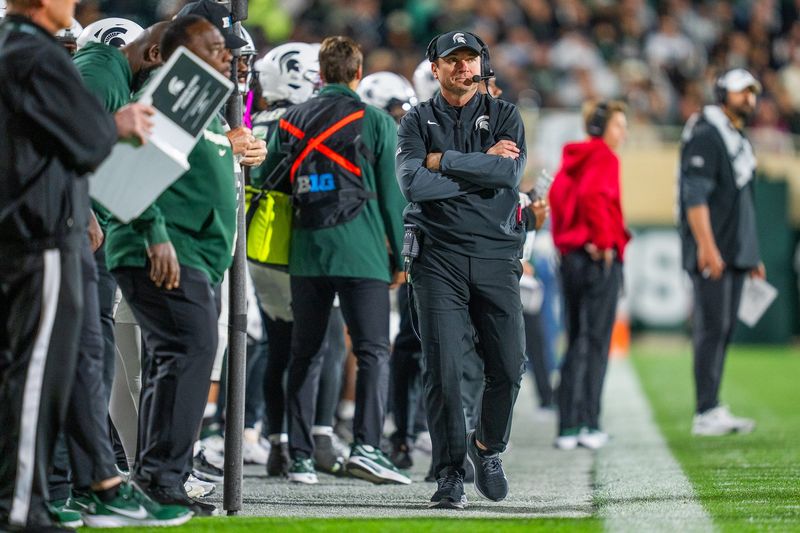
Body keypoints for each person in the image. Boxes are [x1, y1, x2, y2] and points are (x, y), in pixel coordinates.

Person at [0, 0, 152, 529]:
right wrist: (121, 121)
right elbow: (89, 142)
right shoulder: (34, 54)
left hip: (23, 230)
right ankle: (22, 505)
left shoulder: (13, 49)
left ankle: (43, 495)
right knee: (38, 375)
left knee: (38, 370)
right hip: (39, 234)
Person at [104, 14, 243, 517]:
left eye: (224, 48)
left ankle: (156, 477)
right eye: (210, 46)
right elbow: (130, 161)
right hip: (164, 249)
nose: (223, 53)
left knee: (173, 358)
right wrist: (154, 233)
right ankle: (162, 479)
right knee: (191, 348)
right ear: (177, 51)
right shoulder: (177, 87)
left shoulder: (200, 100)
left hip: (190, 252)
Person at [258, 35, 409, 486]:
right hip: (362, 251)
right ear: (358, 74)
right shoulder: (377, 121)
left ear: (319, 74)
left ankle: (299, 456)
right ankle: (366, 447)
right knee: (373, 351)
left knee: (304, 353)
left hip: (306, 251)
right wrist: (400, 256)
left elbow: (269, 181)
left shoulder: (292, 119)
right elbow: (390, 195)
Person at [396, 31, 532, 509]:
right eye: (451, 60)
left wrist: (445, 162)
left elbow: (508, 176)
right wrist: (477, 171)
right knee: (444, 371)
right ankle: (449, 474)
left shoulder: (505, 115)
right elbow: (414, 185)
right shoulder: (415, 119)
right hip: (438, 259)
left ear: (482, 64)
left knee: (509, 367)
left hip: (496, 256)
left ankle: (486, 448)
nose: (462, 68)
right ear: (434, 68)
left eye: (469, 59)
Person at [248, 41, 349, 478]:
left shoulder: (254, 120)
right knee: (321, 346)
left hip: (257, 247)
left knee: (277, 348)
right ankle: (316, 439)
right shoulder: (307, 121)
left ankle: (278, 443)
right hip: (299, 247)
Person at [678, 69, 763, 436]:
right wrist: (707, 247)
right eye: (742, 91)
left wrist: (751, 252)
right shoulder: (707, 134)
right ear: (722, 94)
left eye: (753, 92)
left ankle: (711, 405)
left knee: (723, 329)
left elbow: (741, 202)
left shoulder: (735, 137)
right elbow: (694, 196)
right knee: (712, 329)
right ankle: (705, 411)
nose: (750, 98)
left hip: (735, 250)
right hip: (715, 251)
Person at [548, 100, 631, 451]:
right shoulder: (603, 157)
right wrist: (603, 241)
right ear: (601, 128)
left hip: (571, 258)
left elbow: (559, 200)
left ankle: (568, 424)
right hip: (596, 258)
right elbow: (594, 195)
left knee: (576, 339)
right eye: (618, 126)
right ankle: (588, 422)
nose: (623, 133)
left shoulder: (574, 159)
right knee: (596, 342)